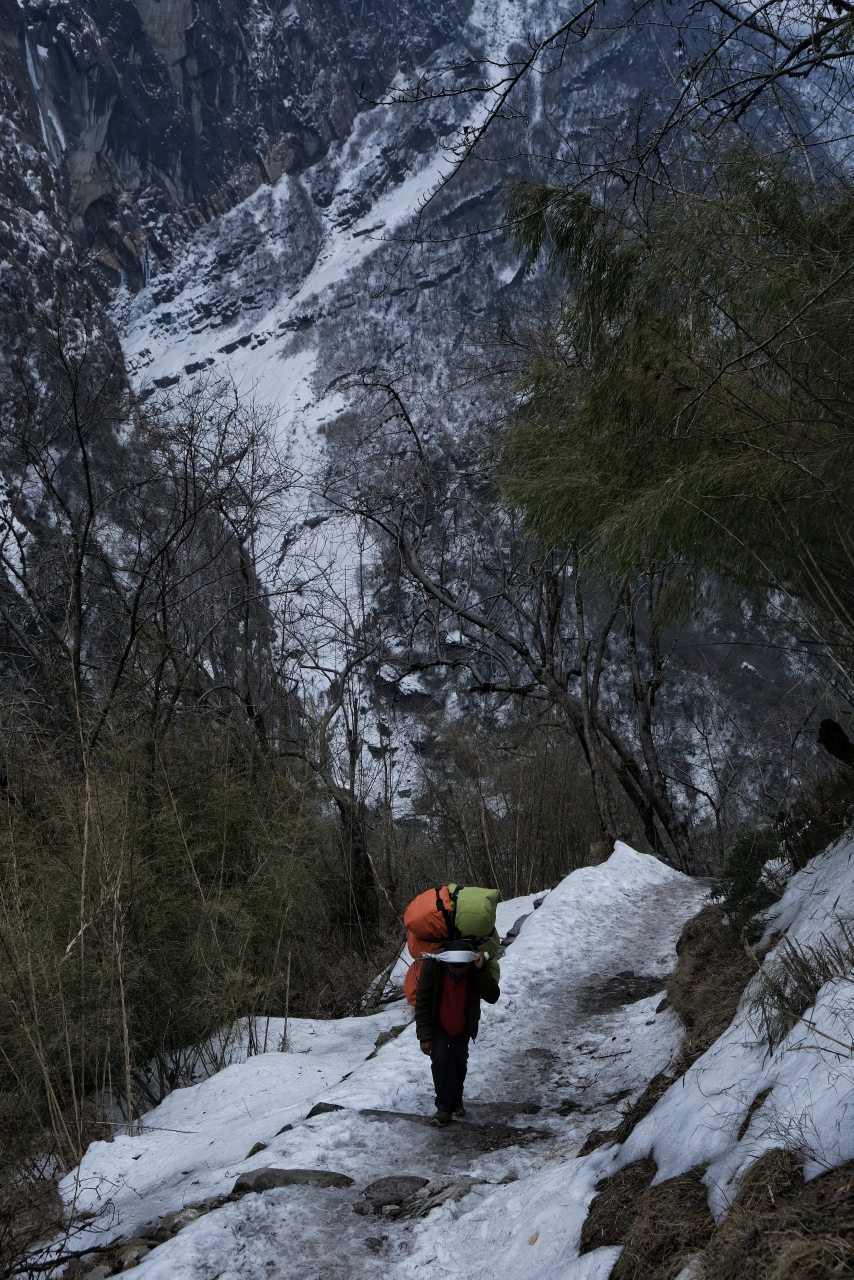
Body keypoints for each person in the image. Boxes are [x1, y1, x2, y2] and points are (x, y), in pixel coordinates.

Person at [415, 941, 500, 1127]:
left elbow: (492, 996)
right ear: (446, 961)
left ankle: (455, 1099)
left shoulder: (474, 969)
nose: (459, 971)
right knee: (440, 1058)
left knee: (458, 1063)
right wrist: (424, 1036)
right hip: (439, 1023)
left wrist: (480, 970)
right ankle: (444, 1109)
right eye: (455, 966)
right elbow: (422, 1001)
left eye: (464, 967)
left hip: (463, 1025)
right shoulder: (433, 967)